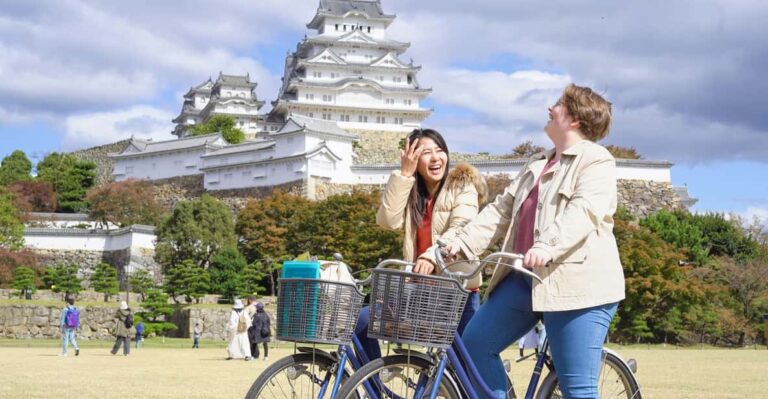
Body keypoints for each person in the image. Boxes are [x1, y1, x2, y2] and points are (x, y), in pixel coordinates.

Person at [444, 84, 625, 399]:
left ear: (575, 120)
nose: (550, 109)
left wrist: (546, 245)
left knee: (577, 389)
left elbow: (583, 212)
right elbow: (500, 211)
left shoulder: (596, 161)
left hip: (578, 286)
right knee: (475, 345)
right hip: (526, 278)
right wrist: (462, 242)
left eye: (558, 104)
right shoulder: (537, 164)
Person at [354, 128, 487, 361]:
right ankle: (375, 389)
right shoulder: (414, 194)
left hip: (457, 292)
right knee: (362, 322)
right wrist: (404, 176)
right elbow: (387, 221)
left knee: (463, 367)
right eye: (426, 153)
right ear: (414, 159)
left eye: (439, 150)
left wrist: (430, 256)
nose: (436, 158)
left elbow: (462, 226)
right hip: (422, 292)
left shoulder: (462, 185)